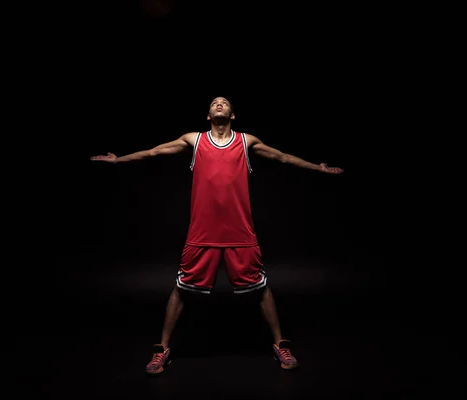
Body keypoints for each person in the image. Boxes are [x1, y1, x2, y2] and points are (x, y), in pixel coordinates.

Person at [90, 96, 344, 375]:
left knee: (260, 287)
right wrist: (119, 160)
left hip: (240, 232)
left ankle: (280, 344)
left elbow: (282, 156)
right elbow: (153, 152)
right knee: (181, 288)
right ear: (208, 115)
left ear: (233, 115)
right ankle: (162, 349)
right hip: (202, 232)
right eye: (214, 102)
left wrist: (317, 168)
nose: (219, 103)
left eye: (224, 102)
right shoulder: (194, 140)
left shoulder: (246, 142)